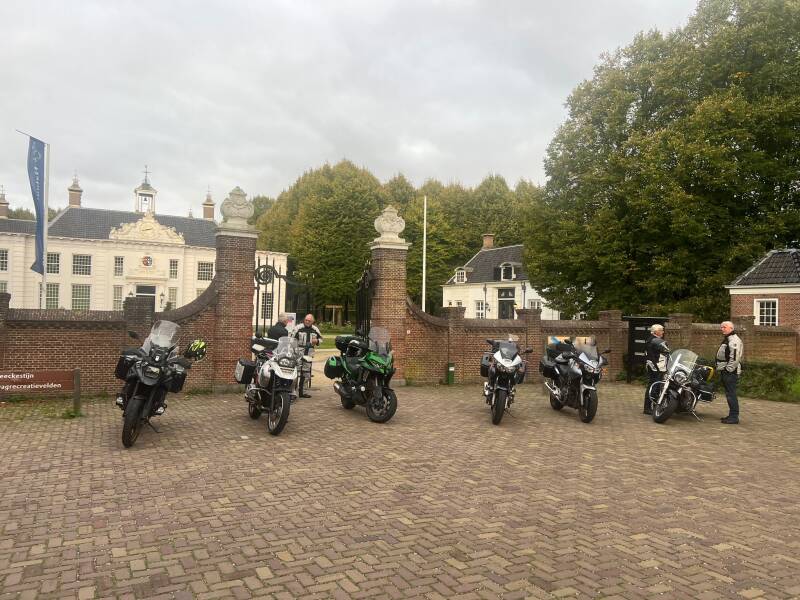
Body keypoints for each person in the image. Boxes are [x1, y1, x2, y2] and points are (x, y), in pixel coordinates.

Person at [717, 321, 743, 424]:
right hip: (727, 371)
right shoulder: (728, 339)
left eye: (724, 327)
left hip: (730, 372)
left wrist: (728, 370)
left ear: (731, 328)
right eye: (721, 327)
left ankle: (734, 417)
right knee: (729, 394)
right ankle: (732, 415)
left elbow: (735, 358)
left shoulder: (734, 340)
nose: (722, 329)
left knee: (731, 394)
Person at [292, 314, 323, 398]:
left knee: (306, 373)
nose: (307, 322)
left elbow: (321, 339)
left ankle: (303, 392)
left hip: (309, 353)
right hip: (298, 353)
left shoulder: (315, 329)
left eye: (309, 321)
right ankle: (293, 392)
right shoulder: (298, 328)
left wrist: (317, 341)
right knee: (296, 372)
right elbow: (291, 339)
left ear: (313, 321)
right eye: (306, 320)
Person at [643, 324, 670, 415]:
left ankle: (653, 406)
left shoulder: (651, 339)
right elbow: (652, 356)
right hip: (656, 367)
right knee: (654, 386)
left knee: (656, 386)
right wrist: (656, 368)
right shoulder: (654, 340)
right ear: (656, 331)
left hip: (656, 367)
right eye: (661, 330)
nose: (663, 332)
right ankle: (648, 408)